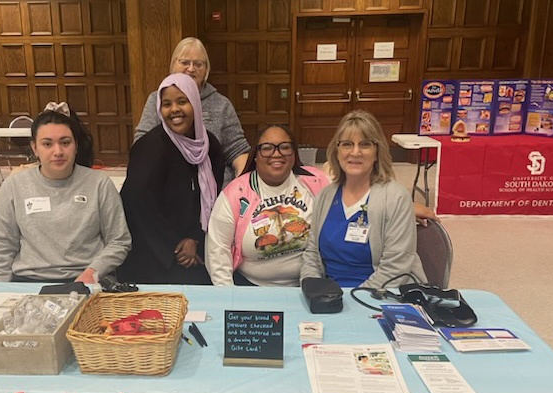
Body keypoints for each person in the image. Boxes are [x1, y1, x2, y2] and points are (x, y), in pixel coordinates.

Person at [0, 102, 131, 283]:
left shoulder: (99, 184)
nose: (58, 151)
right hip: (29, 281)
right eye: (47, 144)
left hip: (87, 280)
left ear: (76, 145)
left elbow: (119, 241)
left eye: (65, 143)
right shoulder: (14, 186)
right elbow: (2, 247)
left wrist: (91, 273)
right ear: (34, 148)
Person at [301, 110, 426, 288]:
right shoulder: (325, 195)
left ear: (377, 151)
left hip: (378, 295)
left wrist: (354, 300)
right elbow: (312, 254)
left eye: (365, 144)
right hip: (328, 297)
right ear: (337, 151)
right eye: (347, 144)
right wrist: (313, 288)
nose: (355, 152)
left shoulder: (395, 197)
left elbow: (395, 269)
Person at [119, 73, 224, 285]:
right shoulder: (150, 148)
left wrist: (195, 239)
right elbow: (137, 206)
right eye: (166, 104)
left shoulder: (209, 146)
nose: (174, 109)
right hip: (154, 256)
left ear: (195, 103)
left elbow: (214, 202)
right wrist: (175, 247)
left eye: (182, 101)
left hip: (197, 250)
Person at [205, 125, 329, 286]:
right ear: (255, 155)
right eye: (267, 148)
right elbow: (217, 251)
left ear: (294, 154)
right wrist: (230, 297)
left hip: (311, 284)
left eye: (284, 147)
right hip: (251, 288)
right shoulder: (236, 193)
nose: (276, 154)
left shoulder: (316, 182)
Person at [133, 37, 249, 186]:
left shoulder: (222, 104)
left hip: (215, 185)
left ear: (206, 69)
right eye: (184, 62)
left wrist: (242, 183)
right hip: (168, 181)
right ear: (173, 65)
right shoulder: (157, 99)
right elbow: (141, 144)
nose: (191, 69)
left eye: (198, 64)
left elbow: (237, 149)